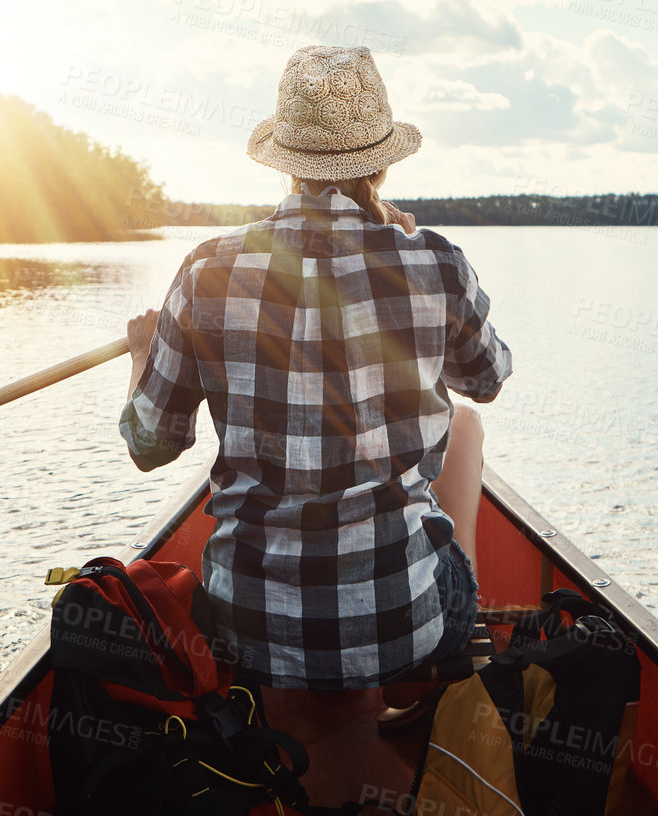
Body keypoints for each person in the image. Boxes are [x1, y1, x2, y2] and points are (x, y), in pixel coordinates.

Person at [118, 44, 512, 710]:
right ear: (381, 163)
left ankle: (309, 742)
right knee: (466, 427)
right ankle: (453, 634)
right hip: (398, 616)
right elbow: (487, 378)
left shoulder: (206, 270)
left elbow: (149, 445)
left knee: (303, 618)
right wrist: (416, 267)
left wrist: (141, 357)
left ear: (286, 165)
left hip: (244, 619)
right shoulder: (436, 259)